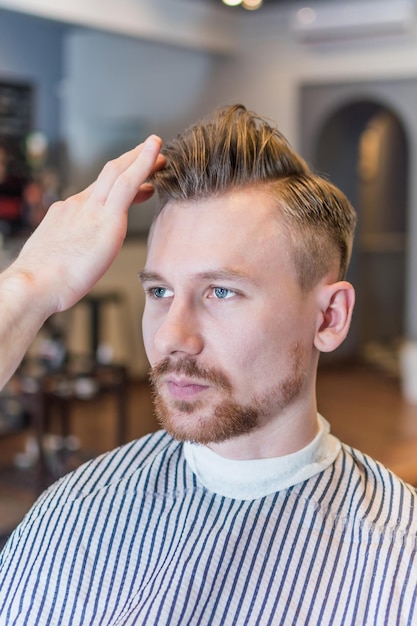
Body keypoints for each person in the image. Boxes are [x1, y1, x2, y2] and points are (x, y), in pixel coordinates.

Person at [0, 105, 416, 625]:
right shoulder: (72, 512)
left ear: (330, 317)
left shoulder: (401, 561)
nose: (171, 335)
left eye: (221, 291)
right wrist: (27, 289)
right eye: (160, 291)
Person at [0, 135, 164, 389]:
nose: (167, 339)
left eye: (221, 292)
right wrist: (28, 284)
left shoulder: (17, 184)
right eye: (160, 291)